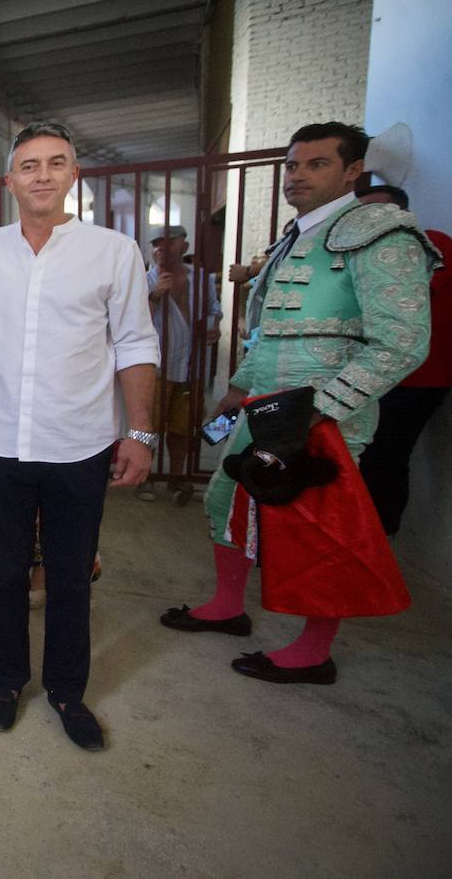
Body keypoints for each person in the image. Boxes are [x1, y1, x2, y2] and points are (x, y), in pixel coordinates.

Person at [161, 123, 434, 684]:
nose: (298, 176)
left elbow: (404, 340)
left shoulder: (380, 231)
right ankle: (228, 607)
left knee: (316, 526)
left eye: (317, 164)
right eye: (292, 166)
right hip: (266, 404)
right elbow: (268, 331)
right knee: (227, 498)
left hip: (324, 414)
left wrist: (323, 407)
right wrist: (237, 389)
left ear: (353, 171)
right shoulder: (296, 236)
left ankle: (313, 651)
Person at [0, 123, 159, 751]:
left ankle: (69, 690)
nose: (41, 175)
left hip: (80, 442)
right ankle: (7, 679)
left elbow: (135, 342)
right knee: (5, 573)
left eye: (55, 163)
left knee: (72, 575)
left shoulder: (113, 252)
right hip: (0, 445)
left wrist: (140, 430)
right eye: (28, 165)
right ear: (10, 180)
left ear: (74, 174)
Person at [356, 185, 451, 535]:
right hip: (378, 374)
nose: (364, 221)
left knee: (386, 456)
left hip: (417, 379)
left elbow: (400, 300)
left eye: (372, 212)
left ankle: (379, 539)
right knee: (368, 454)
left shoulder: (430, 243)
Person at [141, 224, 223, 505]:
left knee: (184, 426)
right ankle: (145, 477)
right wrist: (155, 296)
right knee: (150, 424)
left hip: (193, 366)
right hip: (158, 366)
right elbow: (133, 321)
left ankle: (178, 477)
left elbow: (214, 310)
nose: (161, 248)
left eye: (169, 241)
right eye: (156, 243)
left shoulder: (201, 279)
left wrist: (214, 326)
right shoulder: (145, 280)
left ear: (184, 246)